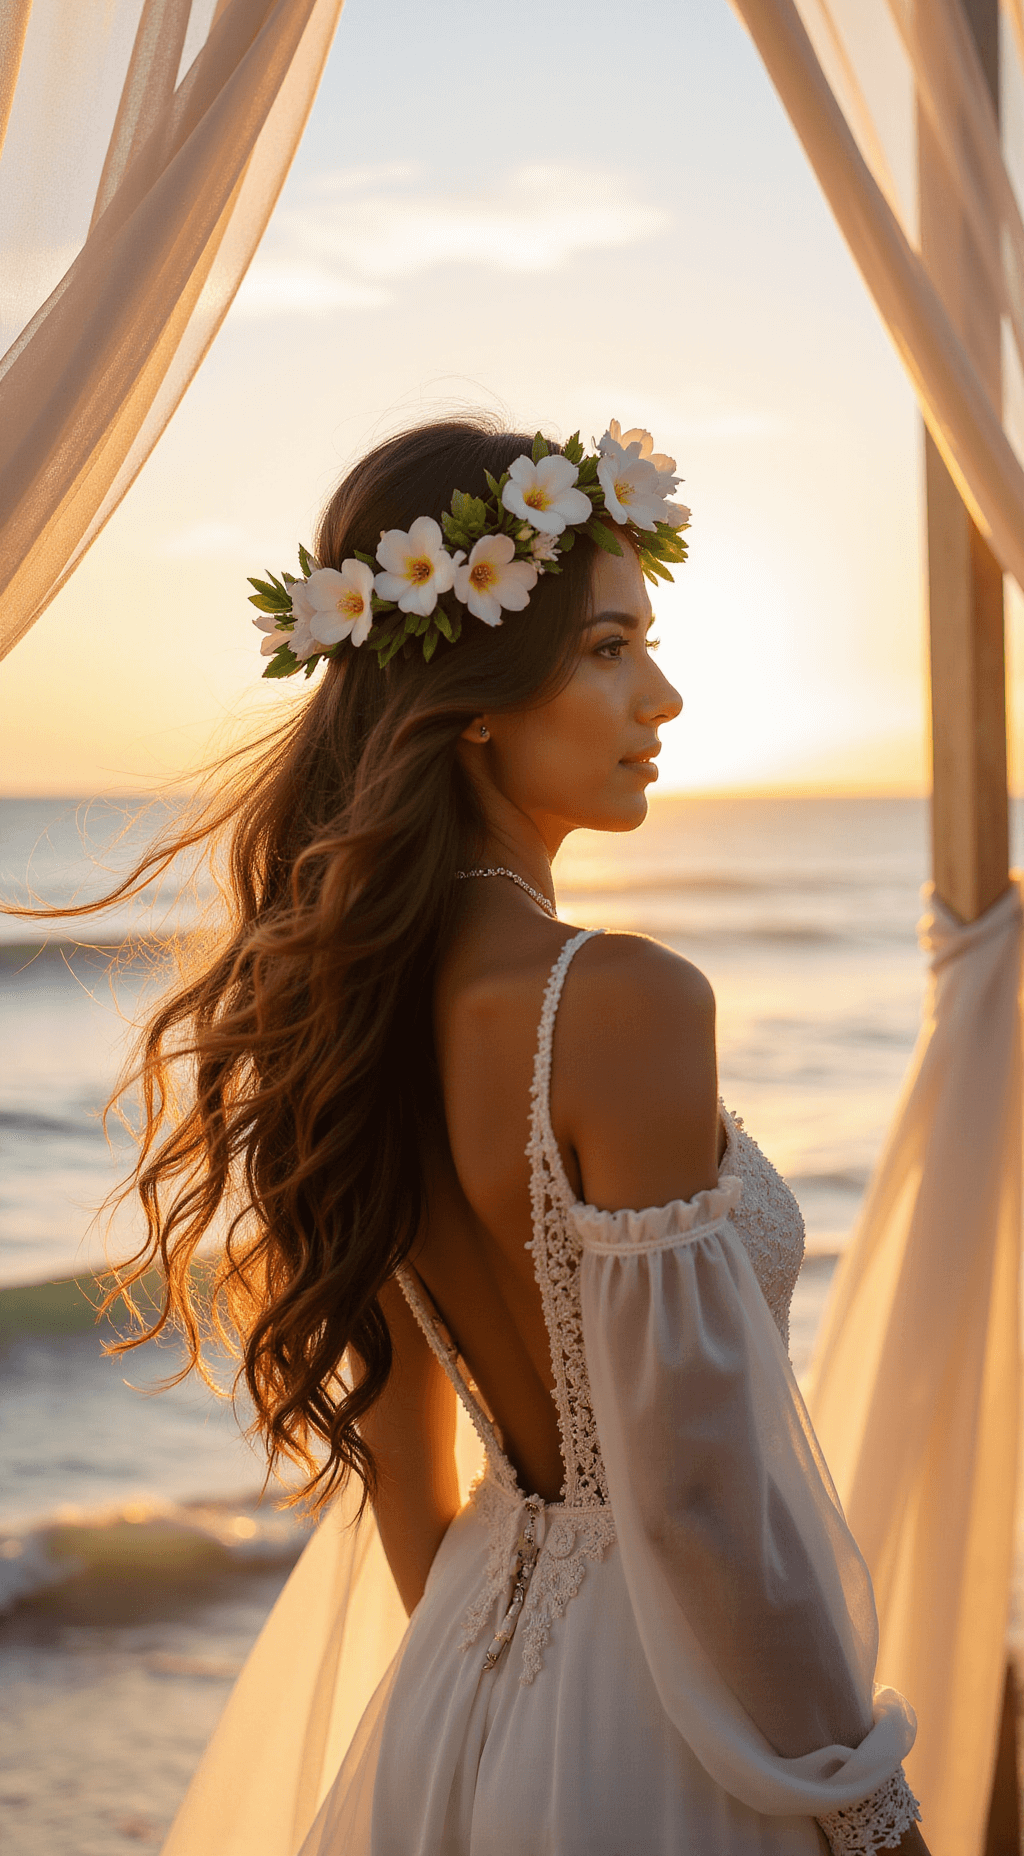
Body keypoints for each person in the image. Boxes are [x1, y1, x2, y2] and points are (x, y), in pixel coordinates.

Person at [72, 417, 928, 1853]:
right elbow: (701, 1503)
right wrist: (869, 1808)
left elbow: (408, 1466)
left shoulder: (357, 1017)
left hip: (464, 1690)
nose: (661, 695)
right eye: (608, 648)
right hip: (674, 1730)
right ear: (473, 698)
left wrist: (511, 1706)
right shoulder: (626, 1001)